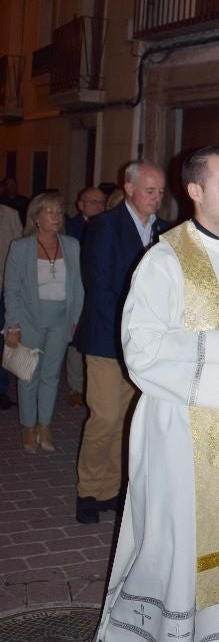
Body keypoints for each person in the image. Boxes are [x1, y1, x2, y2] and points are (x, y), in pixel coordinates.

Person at [95, 146, 219, 642]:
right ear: (194, 192)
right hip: (179, 423)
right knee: (170, 538)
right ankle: (133, 639)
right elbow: (139, 348)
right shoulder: (164, 259)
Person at [74, 161, 167, 524]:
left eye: (160, 191)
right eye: (149, 190)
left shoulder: (162, 230)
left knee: (128, 418)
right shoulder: (104, 227)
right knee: (105, 417)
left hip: (145, 343)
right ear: (128, 189)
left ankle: (111, 488)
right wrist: (133, 329)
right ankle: (88, 490)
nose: (157, 198)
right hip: (107, 338)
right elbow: (100, 289)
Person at [4, 193, 84, 453]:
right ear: (36, 217)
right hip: (29, 319)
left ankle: (45, 425)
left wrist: (75, 318)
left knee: (50, 376)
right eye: (50, 212)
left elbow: (78, 287)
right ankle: (29, 427)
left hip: (61, 318)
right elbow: (12, 288)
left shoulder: (71, 245)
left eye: (59, 212)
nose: (56, 217)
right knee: (29, 375)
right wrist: (12, 325)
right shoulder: (21, 247)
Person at [64, 187, 107, 407]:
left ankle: (91, 385)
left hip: (97, 288)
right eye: (92, 202)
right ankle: (76, 387)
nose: (98, 206)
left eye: (101, 202)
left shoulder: (108, 225)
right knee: (75, 336)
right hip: (76, 286)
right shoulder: (70, 227)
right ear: (80, 205)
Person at [0, 202, 22, 409]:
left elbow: (18, 248)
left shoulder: (10, 214)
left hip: (4, 286)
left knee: (5, 340)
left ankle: (1, 389)